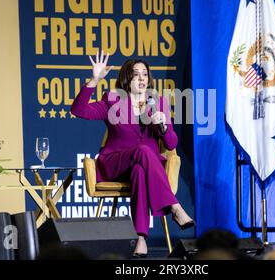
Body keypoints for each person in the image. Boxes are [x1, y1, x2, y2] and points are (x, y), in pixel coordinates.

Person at [71, 50, 195, 257]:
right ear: (127, 78)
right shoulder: (112, 100)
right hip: (116, 164)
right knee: (144, 150)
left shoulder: (157, 103)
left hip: (145, 167)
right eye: (136, 74)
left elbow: (171, 143)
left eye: (145, 74)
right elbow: (79, 110)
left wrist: (163, 126)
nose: (141, 78)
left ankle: (140, 239)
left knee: (139, 170)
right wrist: (94, 80)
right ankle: (174, 206)